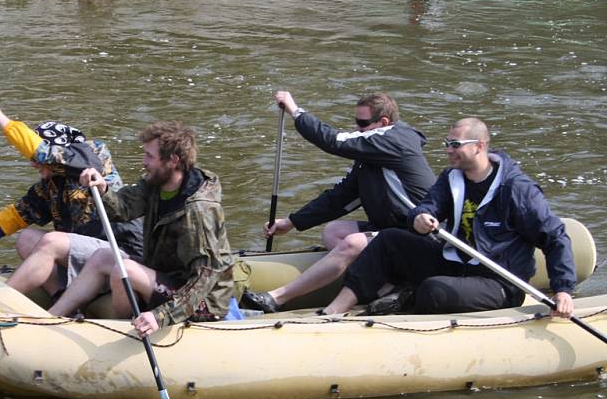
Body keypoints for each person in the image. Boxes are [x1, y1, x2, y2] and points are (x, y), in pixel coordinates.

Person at [326, 117, 576, 317]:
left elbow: (555, 237)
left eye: (455, 145)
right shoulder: (452, 178)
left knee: (432, 290)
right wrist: (421, 218)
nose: (448, 150)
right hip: (456, 264)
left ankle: (404, 308)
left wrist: (562, 290)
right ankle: (334, 310)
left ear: (479, 146)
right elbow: (427, 206)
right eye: (447, 143)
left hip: (497, 281)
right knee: (389, 240)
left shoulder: (517, 190)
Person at [240, 91, 436, 314]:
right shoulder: (372, 155)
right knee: (333, 231)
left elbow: (333, 141)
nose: (357, 129)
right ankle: (391, 289)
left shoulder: (396, 140)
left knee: (352, 243)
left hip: (418, 237)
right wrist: (293, 222)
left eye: (362, 123)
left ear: (383, 122)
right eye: (356, 122)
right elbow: (341, 198)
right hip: (390, 231)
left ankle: (277, 297)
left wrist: (295, 111)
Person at [0, 97, 143, 300]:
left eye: (38, 158)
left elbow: (41, 153)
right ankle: (62, 298)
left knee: (51, 240)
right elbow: (5, 221)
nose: (33, 163)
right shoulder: (48, 188)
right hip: (86, 257)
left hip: (121, 255)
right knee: (27, 238)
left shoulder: (92, 154)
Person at [48, 120, 235, 337]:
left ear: (173, 160)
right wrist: (102, 188)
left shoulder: (199, 211)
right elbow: (123, 209)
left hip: (202, 303)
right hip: (166, 278)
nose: (144, 162)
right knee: (103, 256)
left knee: (124, 269)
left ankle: (118, 333)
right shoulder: (156, 184)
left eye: (150, 156)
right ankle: (50, 318)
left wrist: (161, 315)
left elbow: (204, 277)